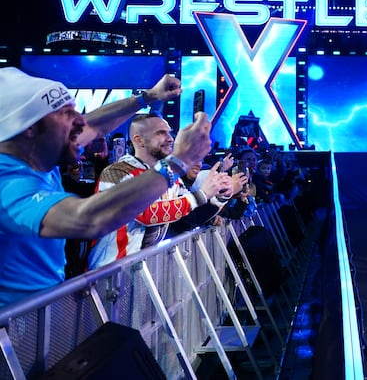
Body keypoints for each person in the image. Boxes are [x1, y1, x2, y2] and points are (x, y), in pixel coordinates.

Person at [0, 67, 211, 309]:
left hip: (40, 311)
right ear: (30, 128)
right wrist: (178, 162)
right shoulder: (8, 184)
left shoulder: (36, 151)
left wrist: (148, 97)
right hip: (16, 323)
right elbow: (88, 219)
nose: (81, 120)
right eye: (66, 113)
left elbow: (95, 125)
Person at [87, 113, 232, 270]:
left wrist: (218, 196)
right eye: (161, 133)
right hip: (108, 272)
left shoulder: (169, 176)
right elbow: (147, 213)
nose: (170, 139)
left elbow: (189, 216)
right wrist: (202, 194)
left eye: (169, 133)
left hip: (142, 270)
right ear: (139, 140)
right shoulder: (116, 173)